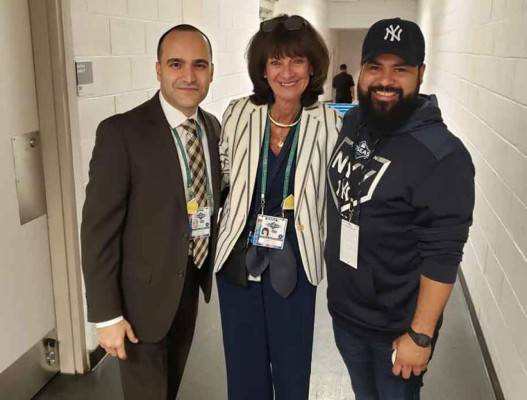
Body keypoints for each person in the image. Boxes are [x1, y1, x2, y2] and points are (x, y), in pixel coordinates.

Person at [326, 17, 475, 400]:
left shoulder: (443, 156)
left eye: (401, 69)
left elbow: (443, 254)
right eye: (375, 67)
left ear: (421, 73)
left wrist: (420, 335)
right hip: (346, 313)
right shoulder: (355, 120)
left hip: (396, 329)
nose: (385, 81)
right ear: (361, 71)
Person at [80, 24, 221, 400]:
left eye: (200, 65)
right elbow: (98, 231)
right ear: (158, 69)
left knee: (169, 387)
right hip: (139, 302)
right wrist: (106, 315)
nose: (189, 76)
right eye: (176, 64)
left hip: (188, 286)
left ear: (211, 70)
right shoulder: (120, 133)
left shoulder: (212, 127)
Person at [214, 15, 342, 400]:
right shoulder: (238, 113)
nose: (287, 72)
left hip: (296, 261)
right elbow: (221, 171)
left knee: (291, 366)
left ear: (313, 67)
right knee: (243, 368)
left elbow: (337, 197)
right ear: (263, 69)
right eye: (276, 62)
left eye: (297, 61)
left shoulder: (330, 124)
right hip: (238, 256)